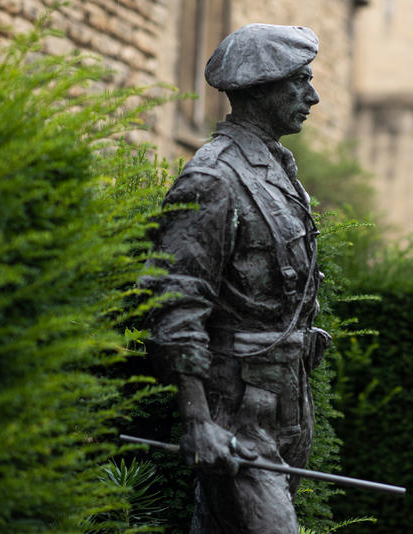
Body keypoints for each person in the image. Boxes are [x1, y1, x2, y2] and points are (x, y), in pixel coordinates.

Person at [141, 23, 329, 534]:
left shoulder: (276, 170)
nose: (312, 95)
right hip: (234, 413)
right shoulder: (214, 178)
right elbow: (177, 303)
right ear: (260, 88)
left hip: (285, 405)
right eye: (300, 81)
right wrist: (197, 420)